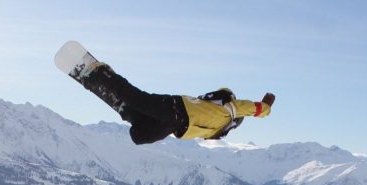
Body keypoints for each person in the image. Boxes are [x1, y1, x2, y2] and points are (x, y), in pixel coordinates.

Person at [73, 59, 274, 145]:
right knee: (136, 98)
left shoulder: (216, 130)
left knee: (139, 136)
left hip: (174, 124)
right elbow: (251, 108)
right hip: (175, 109)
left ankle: (130, 111)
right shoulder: (229, 110)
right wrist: (265, 108)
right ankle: (103, 73)